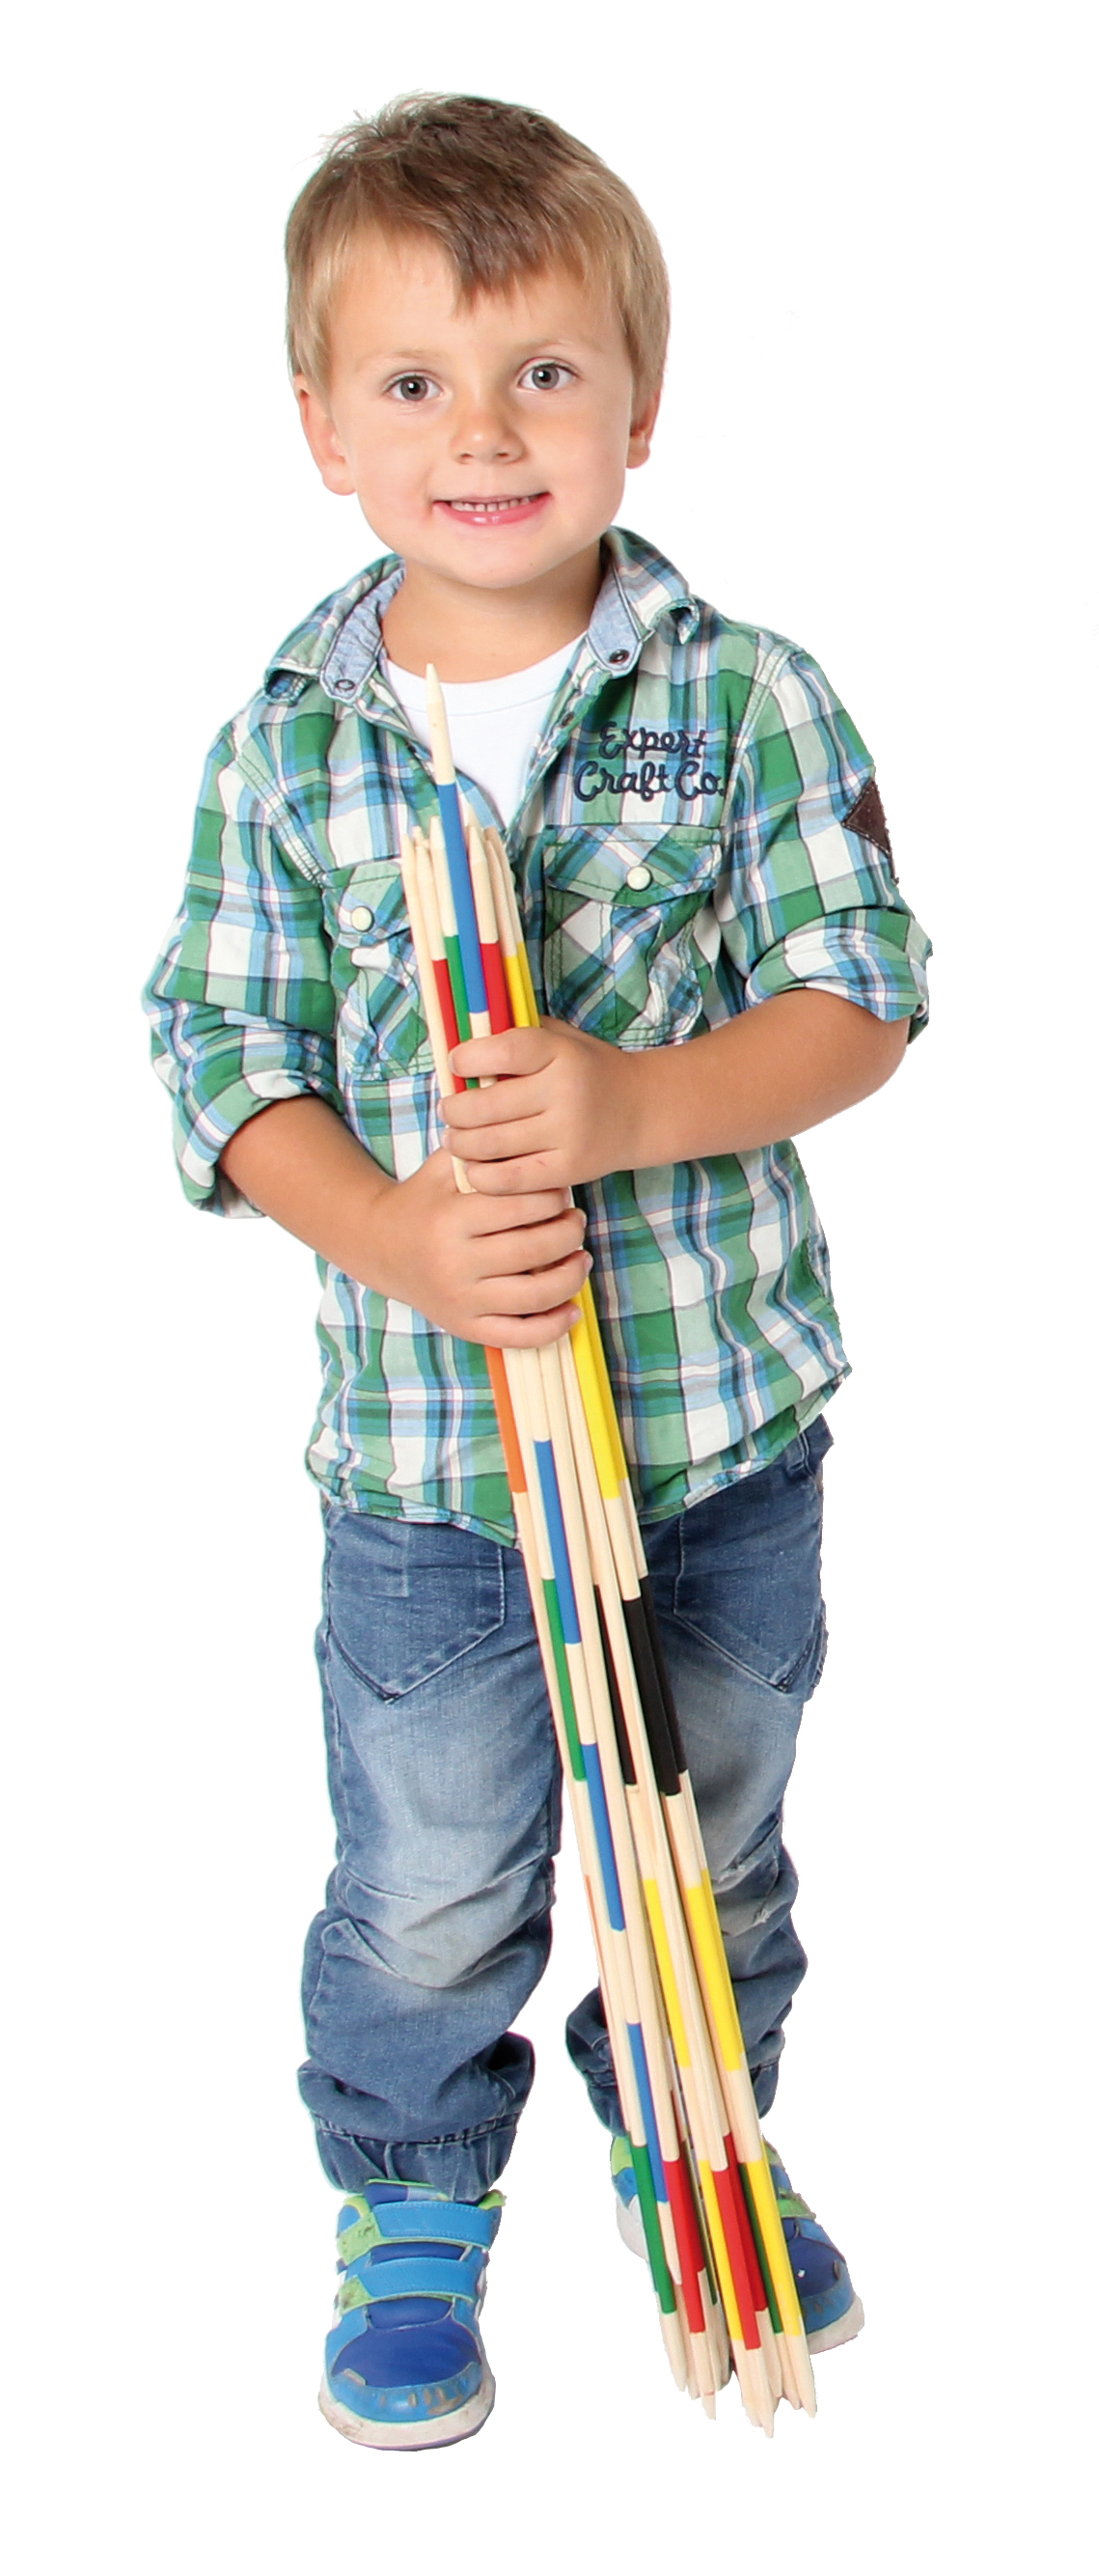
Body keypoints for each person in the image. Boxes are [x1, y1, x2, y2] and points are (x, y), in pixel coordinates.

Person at [145, 93, 930, 2451]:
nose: (482, 433)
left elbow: (862, 995)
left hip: (719, 1437)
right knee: (428, 1876)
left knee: (715, 1837)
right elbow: (218, 1056)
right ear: (322, 424)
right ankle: (411, 2198)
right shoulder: (290, 745)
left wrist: (628, 1105)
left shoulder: (747, 694)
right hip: (431, 1477)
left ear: (638, 401)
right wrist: (391, 1227)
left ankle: (691, 2124)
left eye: (544, 374)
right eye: (414, 381)